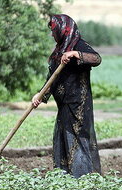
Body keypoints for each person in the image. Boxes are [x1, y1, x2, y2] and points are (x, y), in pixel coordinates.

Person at [32, 14, 102, 178]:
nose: (52, 34)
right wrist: (40, 95)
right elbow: (52, 78)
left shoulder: (78, 44)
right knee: (63, 138)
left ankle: (83, 178)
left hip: (78, 105)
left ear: (64, 29)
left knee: (78, 139)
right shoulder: (59, 50)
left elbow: (97, 58)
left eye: (54, 30)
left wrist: (76, 54)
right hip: (63, 104)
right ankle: (64, 176)